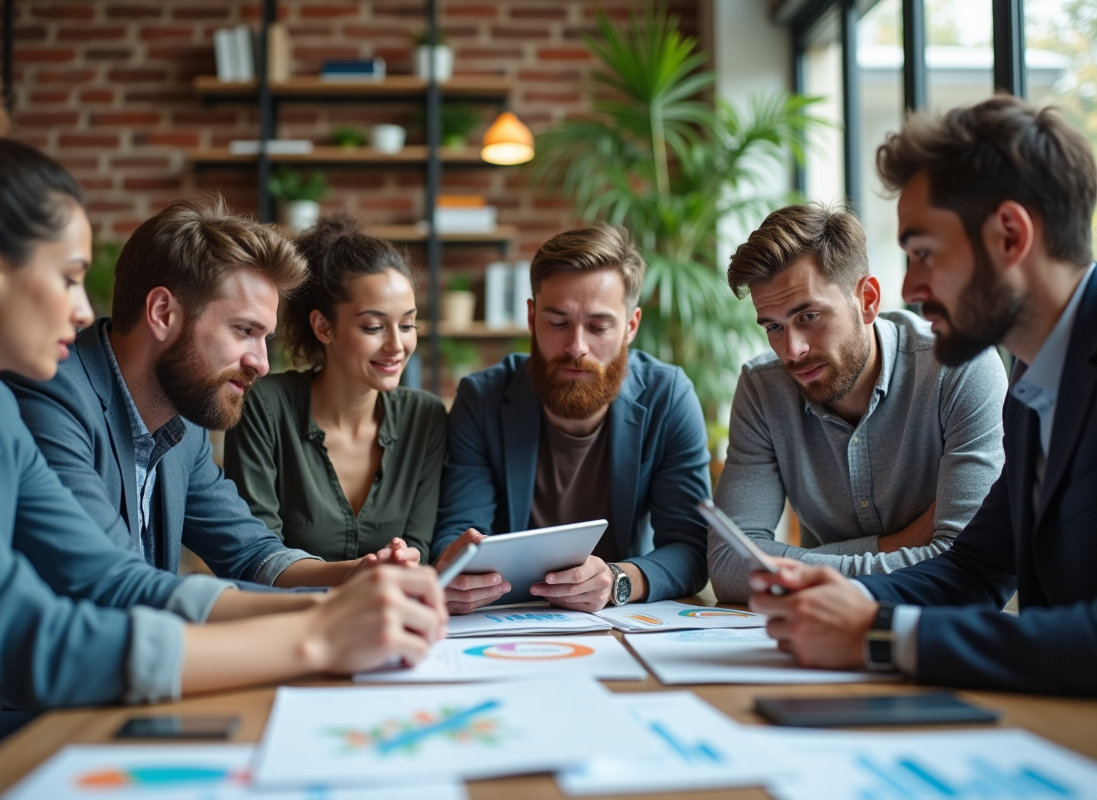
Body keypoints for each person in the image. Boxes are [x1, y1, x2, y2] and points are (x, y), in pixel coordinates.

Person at [0, 131, 445, 790]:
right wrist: (319, 635)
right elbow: (41, 634)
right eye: (70, 277)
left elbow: (121, 582)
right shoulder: (32, 399)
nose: (81, 307)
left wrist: (341, 598)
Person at [748, 95, 1097, 696]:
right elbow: (977, 567)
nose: (909, 287)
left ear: (1010, 235)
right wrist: (846, 596)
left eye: (924, 254)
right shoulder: (1033, 386)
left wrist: (884, 634)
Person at [4, 197, 420, 588]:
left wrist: (357, 575)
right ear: (163, 313)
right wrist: (316, 629)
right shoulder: (51, 395)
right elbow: (112, 580)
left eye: (266, 338)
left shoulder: (180, 422)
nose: (261, 363)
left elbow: (252, 554)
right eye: (244, 331)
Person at [708, 204, 1006, 603]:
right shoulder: (764, 389)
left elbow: (964, 571)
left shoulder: (959, 368)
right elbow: (729, 566)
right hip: (817, 642)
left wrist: (799, 567)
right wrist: (892, 544)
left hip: (934, 645)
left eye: (809, 316)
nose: (792, 351)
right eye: (774, 327)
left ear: (867, 299)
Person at [432, 225, 712, 614]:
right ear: (531, 318)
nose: (576, 347)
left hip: (620, 620)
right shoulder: (482, 399)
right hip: (503, 618)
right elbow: (458, 529)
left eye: (598, 326)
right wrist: (454, 571)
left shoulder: (668, 397)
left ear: (630, 326)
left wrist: (619, 579)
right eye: (558, 323)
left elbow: (692, 549)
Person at [224, 215, 446, 564]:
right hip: (292, 615)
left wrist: (406, 561)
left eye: (407, 324)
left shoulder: (425, 417)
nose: (397, 345)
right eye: (373, 327)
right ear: (324, 327)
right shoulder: (264, 407)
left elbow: (419, 547)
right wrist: (363, 573)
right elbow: (254, 559)